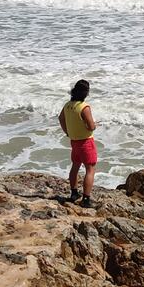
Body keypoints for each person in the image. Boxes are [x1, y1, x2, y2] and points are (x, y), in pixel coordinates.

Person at [58, 79, 98, 207]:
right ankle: (86, 200)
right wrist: (95, 125)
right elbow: (91, 126)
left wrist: (67, 132)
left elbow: (60, 118)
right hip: (86, 142)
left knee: (75, 166)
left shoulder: (68, 105)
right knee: (90, 169)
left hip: (74, 141)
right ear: (86, 93)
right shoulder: (84, 107)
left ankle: (74, 193)